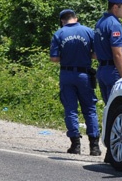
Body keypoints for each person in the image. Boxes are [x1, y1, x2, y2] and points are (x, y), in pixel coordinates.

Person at [50, 9, 100, 156]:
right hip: (84, 74)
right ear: (75, 18)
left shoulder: (59, 33)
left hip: (66, 74)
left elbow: (53, 58)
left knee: (70, 109)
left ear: (62, 21)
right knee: (90, 109)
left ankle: (75, 145)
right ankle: (94, 147)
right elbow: (96, 54)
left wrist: (66, 56)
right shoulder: (89, 31)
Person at [94, 0, 122, 104]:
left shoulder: (100, 22)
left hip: (102, 70)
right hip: (114, 71)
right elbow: (117, 54)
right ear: (116, 7)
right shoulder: (114, 24)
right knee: (120, 106)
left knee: (110, 108)